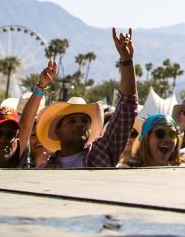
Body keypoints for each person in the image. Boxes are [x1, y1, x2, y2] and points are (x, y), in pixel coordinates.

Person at [35, 28, 138, 169]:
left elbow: (127, 108)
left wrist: (127, 61)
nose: (80, 124)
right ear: (57, 130)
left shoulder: (102, 151)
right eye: (72, 121)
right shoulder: (44, 169)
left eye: (85, 120)